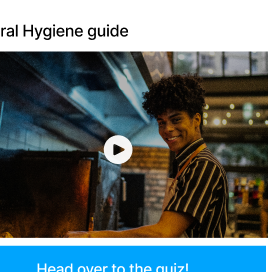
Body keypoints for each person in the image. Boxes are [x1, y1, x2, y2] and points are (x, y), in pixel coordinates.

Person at [65, 74, 227, 239]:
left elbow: (164, 232)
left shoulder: (203, 166)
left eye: (176, 119)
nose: (167, 129)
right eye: (161, 122)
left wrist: (91, 237)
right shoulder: (185, 164)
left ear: (196, 120)